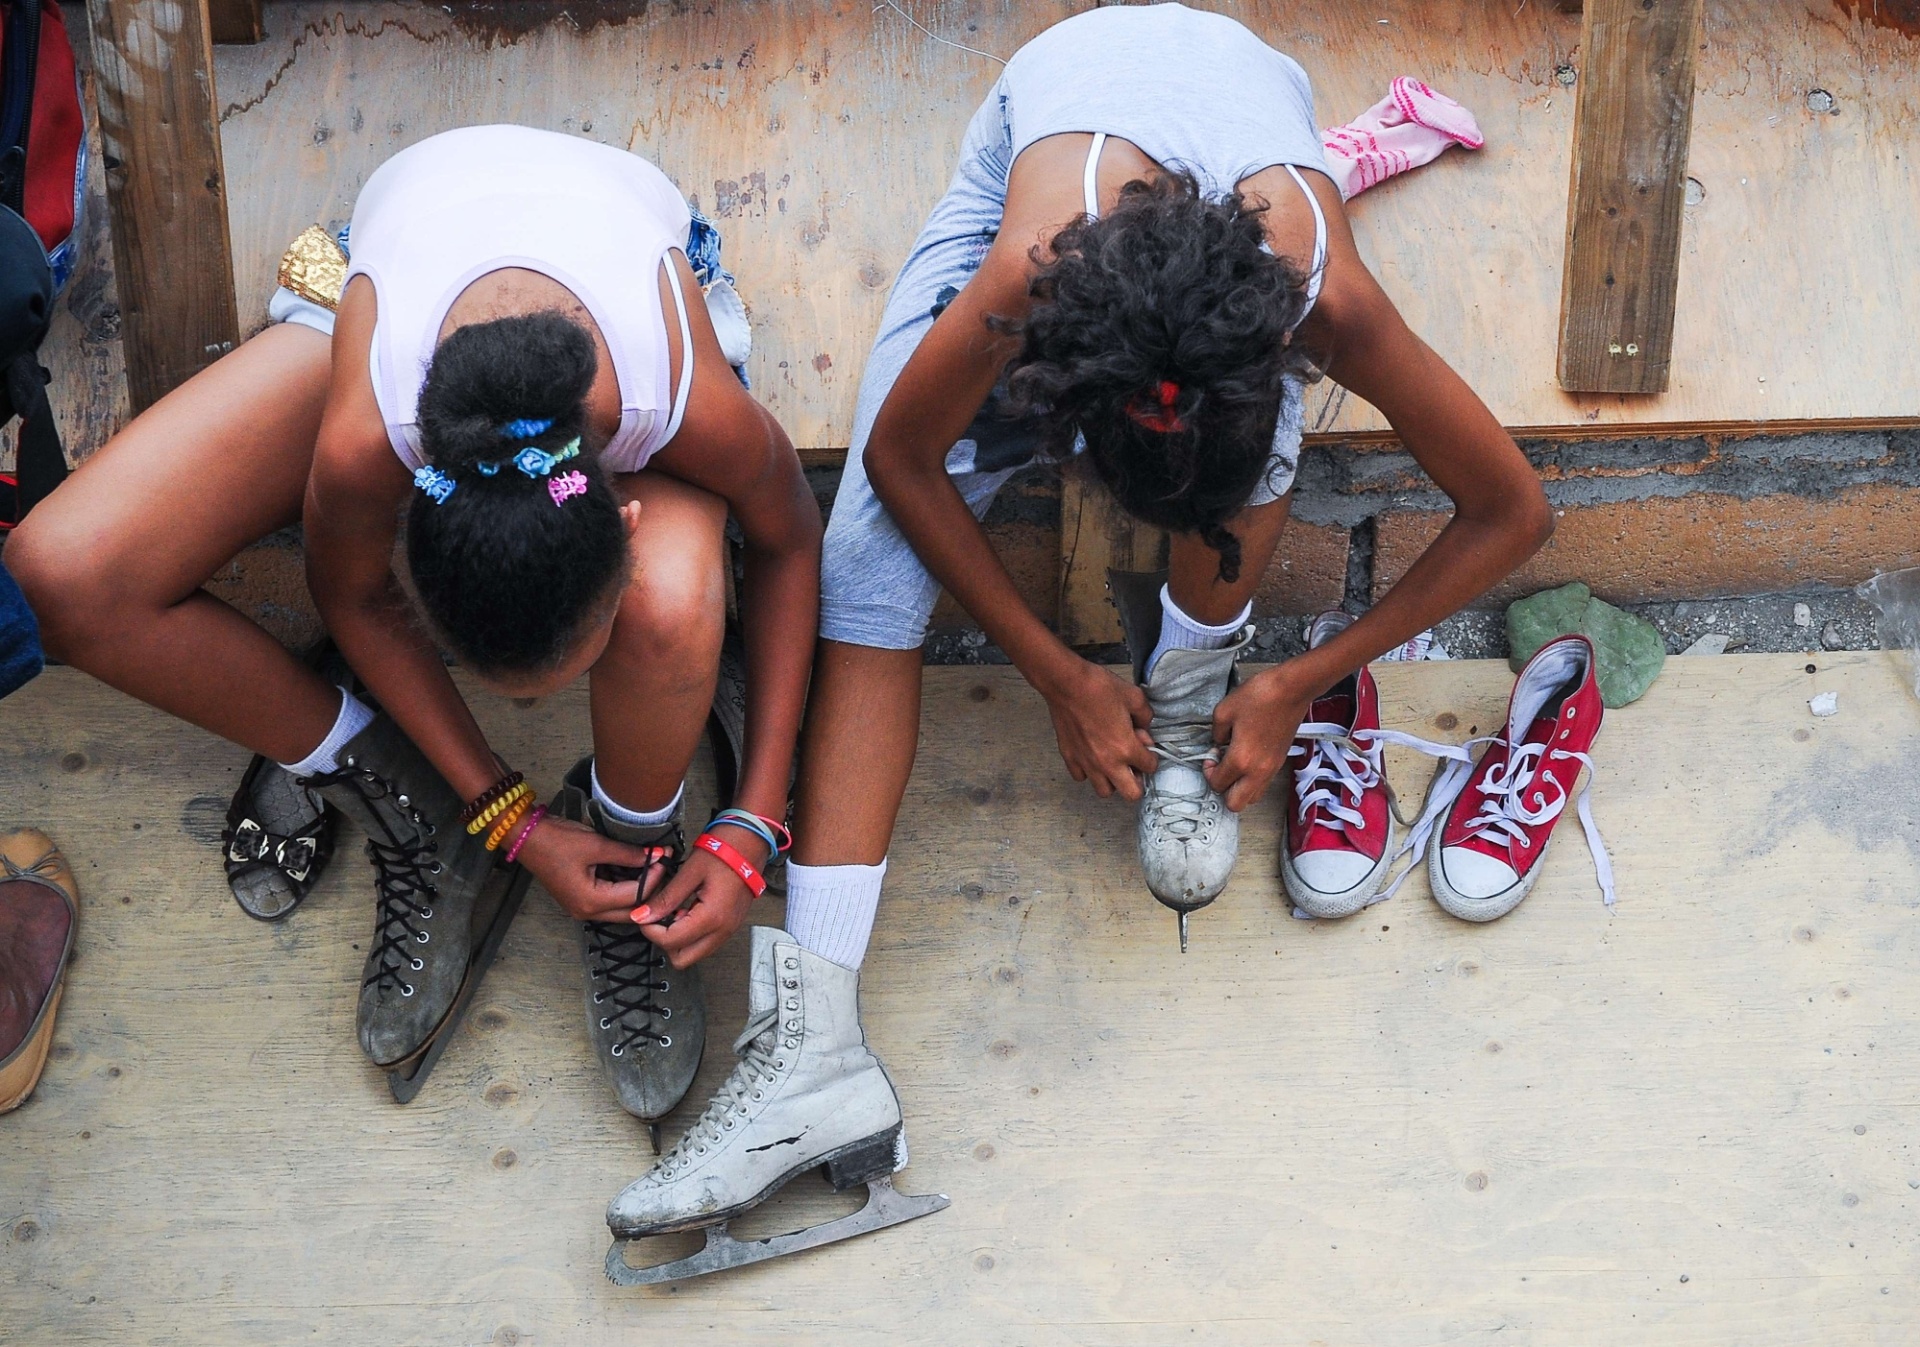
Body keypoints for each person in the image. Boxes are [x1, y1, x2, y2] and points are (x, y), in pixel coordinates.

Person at [599, 3, 1551, 1252]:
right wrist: (1049, 670)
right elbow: (900, 458)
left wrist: (1295, 680)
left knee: (1254, 472)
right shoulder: (1027, 270)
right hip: (1048, 119)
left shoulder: (1321, 297)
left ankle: (1194, 706)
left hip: (1239, 125)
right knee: (864, 570)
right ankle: (814, 1051)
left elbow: (1511, 511)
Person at [5, 125, 821, 1126]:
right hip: (388, 292)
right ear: (412, 530)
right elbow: (350, 592)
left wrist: (756, 817)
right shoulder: (369, 440)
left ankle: (632, 842)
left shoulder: (675, 394)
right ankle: (425, 808)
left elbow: (789, 542)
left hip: (618, 293)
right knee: (63, 578)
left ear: (627, 513)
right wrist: (507, 816)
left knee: (677, 604)